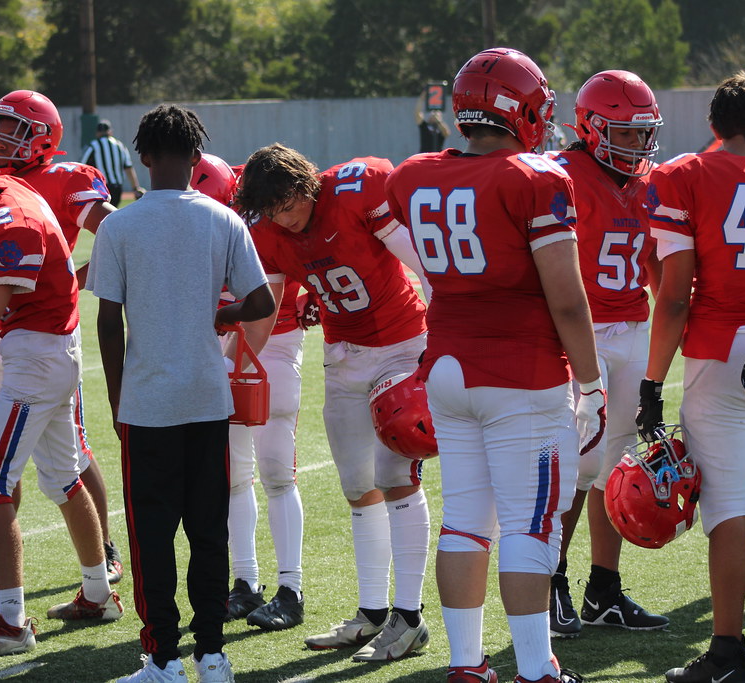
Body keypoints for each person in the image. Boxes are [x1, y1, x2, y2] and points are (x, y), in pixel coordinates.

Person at [385, 46, 599, 683]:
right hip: (520, 373)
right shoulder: (535, 179)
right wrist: (592, 382)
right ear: (520, 110)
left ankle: (466, 665)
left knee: (465, 523)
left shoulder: (415, 174)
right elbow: (567, 299)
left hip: (448, 368)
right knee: (530, 527)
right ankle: (536, 669)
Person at [89, 103, 274, 683]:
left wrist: (117, 398)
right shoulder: (223, 220)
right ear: (198, 157)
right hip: (207, 398)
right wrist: (222, 315)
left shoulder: (119, 225)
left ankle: (164, 659)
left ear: (142, 156)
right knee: (208, 532)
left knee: (151, 538)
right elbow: (262, 302)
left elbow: (107, 322)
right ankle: (212, 655)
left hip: (147, 405)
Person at [236, 143, 434, 662]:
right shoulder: (269, 232)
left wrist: (443, 340)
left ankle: (410, 618)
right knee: (358, 486)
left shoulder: (355, 190)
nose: (285, 218)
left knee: (396, 476)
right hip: (344, 353)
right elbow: (266, 310)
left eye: (289, 204)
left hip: (401, 344)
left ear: (307, 184)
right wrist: (234, 367)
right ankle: (372, 613)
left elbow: (424, 265)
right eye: (273, 211)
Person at [640, 72, 745, 683]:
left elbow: (675, 297)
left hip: (717, 352)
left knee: (729, 511)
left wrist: (654, 383)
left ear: (712, 125)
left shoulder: (683, 175)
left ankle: (728, 655)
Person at [0, 138, 122, 659]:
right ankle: (98, 594)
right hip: (50, 348)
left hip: (35, 358)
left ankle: (11, 622)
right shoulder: (5, 191)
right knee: (64, 476)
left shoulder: (9, 221)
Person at [0, 90, 123, 587]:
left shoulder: (64, 178)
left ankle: (104, 547)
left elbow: (118, 234)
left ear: (42, 137)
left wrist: (74, 279)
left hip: (42, 332)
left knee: (71, 453)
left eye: (13, 128)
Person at [547, 70, 667, 640]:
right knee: (576, 464)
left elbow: (658, 263)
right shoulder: (561, 175)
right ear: (592, 129)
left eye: (645, 132)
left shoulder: (650, 182)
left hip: (634, 327)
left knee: (614, 463)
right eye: (627, 132)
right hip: (580, 334)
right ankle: (550, 579)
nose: (639, 143)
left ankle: (603, 589)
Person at [190, 154, 310, 632]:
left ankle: (291, 588)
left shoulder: (264, 221)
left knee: (276, 467)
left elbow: (278, 296)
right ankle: (245, 581)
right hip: (220, 342)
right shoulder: (194, 220)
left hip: (274, 340)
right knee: (234, 473)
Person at [81, 118, 145, 205]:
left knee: (102, 212)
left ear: (97, 133)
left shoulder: (93, 146)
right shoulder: (120, 146)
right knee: (113, 210)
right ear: (110, 132)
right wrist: (135, 187)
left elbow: (82, 166)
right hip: (117, 188)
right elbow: (128, 168)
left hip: (101, 187)